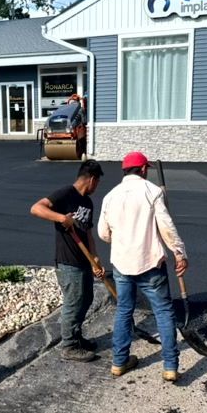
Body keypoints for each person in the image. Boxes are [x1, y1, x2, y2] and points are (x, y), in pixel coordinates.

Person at [97, 151, 188, 382]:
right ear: (144, 169)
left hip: (121, 264)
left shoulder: (110, 196)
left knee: (124, 311)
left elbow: (103, 233)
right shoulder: (152, 191)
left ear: (124, 170)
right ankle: (170, 367)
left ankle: (119, 362)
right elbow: (166, 227)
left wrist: (122, 240)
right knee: (164, 312)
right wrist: (179, 253)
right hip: (150, 264)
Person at [30, 160, 105, 362]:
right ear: (91, 179)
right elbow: (36, 208)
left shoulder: (88, 203)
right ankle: (69, 345)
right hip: (68, 261)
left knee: (86, 299)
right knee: (74, 302)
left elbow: (88, 232)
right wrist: (61, 218)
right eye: (97, 182)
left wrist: (95, 257)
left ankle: (76, 335)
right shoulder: (65, 194)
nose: (96, 187)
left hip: (83, 259)